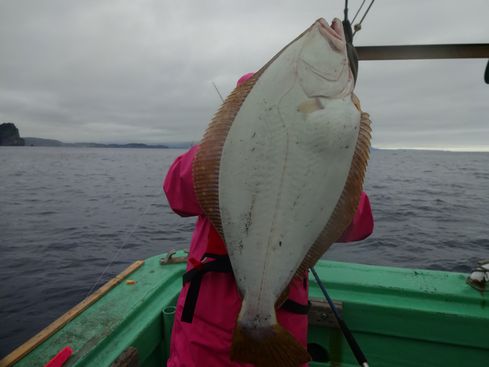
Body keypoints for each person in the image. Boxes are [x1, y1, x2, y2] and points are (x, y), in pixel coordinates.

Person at [163, 73, 374, 367]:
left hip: (281, 327)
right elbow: (177, 192)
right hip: (205, 338)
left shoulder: (315, 162)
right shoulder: (219, 152)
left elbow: (357, 223)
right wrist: (227, 141)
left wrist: (333, 153)